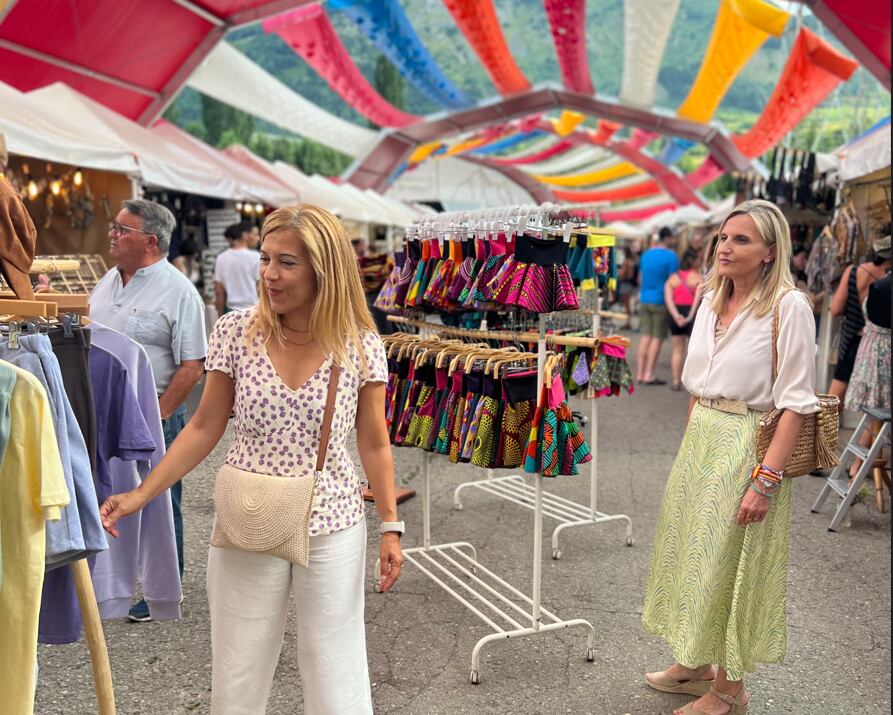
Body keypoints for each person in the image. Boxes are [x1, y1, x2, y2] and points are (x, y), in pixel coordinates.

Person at [99, 204, 403, 714]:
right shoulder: (236, 332)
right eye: (265, 258)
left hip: (331, 520)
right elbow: (203, 427)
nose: (269, 274)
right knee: (238, 669)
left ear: (323, 271)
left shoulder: (359, 344)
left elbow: (374, 442)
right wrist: (141, 495)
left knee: (334, 666)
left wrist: (391, 527)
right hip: (248, 516)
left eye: (287, 262)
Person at [642, 200, 818, 715]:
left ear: (769, 251)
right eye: (723, 237)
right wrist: (687, 449)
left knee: (732, 565)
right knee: (691, 554)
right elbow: (698, 387)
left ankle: (729, 690)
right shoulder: (710, 299)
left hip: (748, 440)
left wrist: (766, 480)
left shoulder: (789, 306)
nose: (725, 247)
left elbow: (796, 403)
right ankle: (694, 663)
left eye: (741, 239)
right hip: (702, 436)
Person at [90, 199, 207, 622]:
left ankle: (164, 586)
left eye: (122, 230)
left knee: (160, 498)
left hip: (153, 413)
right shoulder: (108, 280)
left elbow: (193, 364)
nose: (112, 235)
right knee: (107, 491)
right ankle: (105, 581)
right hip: (105, 412)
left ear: (150, 241)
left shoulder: (179, 291)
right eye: (114, 227)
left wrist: (159, 416)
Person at [828, 236, 891, 414]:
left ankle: (825, 427)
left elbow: (836, 309)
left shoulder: (854, 271)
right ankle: (869, 433)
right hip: (879, 343)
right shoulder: (887, 279)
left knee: (837, 390)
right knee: (877, 402)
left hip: (851, 337)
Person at [844, 251, 890, 478]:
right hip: (880, 352)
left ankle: (858, 464)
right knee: (876, 410)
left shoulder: (876, 283)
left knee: (875, 410)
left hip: (870, 348)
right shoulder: (880, 285)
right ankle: (859, 464)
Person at [637, 226, 679, 385]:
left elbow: (640, 278)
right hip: (661, 300)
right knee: (657, 338)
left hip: (644, 299)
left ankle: (640, 373)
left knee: (645, 336)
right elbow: (673, 281)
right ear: (667, 238)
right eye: (672, 237)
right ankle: (649, 374)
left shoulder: (646, 254)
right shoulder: (671, 256)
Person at [664, 249, 704, 391]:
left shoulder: (673, 278)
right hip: (692, 316)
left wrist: (676, 315)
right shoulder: (699, 278)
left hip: (676, 313)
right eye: (698, 259)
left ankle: (676, 381)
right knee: (694, 351)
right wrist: (689, 317)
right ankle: (693, 384)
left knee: (677, 350)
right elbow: (697, 301)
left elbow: (668, 299)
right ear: (694, 261)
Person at [214, 221, 260, 315]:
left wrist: (221, 317)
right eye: (255, 235)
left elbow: (219, 291)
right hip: (253, 312)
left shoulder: (221, 258)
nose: (258, 238)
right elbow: (260, 287)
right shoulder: (256, 257)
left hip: (231, 312)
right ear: (245, 235)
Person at [618, 248, 639, 330]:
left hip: (626, 283)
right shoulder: (632, 261)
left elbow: (625, 273)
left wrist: (619, 274)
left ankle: (628, 322)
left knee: (627, 304)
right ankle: (628, 322)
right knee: (628, 304)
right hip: (630, 284)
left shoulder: (627, 262)